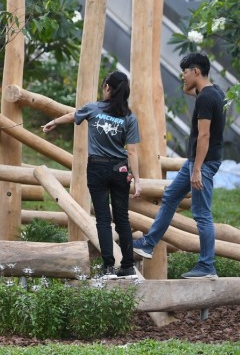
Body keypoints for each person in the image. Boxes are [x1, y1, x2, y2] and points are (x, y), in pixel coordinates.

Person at [133, 52, 226, 278]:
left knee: (202, 213)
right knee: (171, 197)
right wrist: (193, 165)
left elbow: (204, 136)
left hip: (202, 163)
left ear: (196, 71)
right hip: (195, 161)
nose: (182, 76)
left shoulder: (205, 98)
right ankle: (149, 243)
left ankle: (207, 266)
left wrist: (197, 170)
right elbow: (188, 89)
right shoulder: (214, 93)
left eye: (185, 71)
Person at [42, 71, 141, 279]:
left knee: (103, 219)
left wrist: (54, 122)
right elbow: (131, 151)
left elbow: (72, 115)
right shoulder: (129, 117)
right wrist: (137, 180)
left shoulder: (94, 108)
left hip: (97, 169)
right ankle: (128, 267)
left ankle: (108, 268)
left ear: (107, 87)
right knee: (123, 219)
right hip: (120, 170)